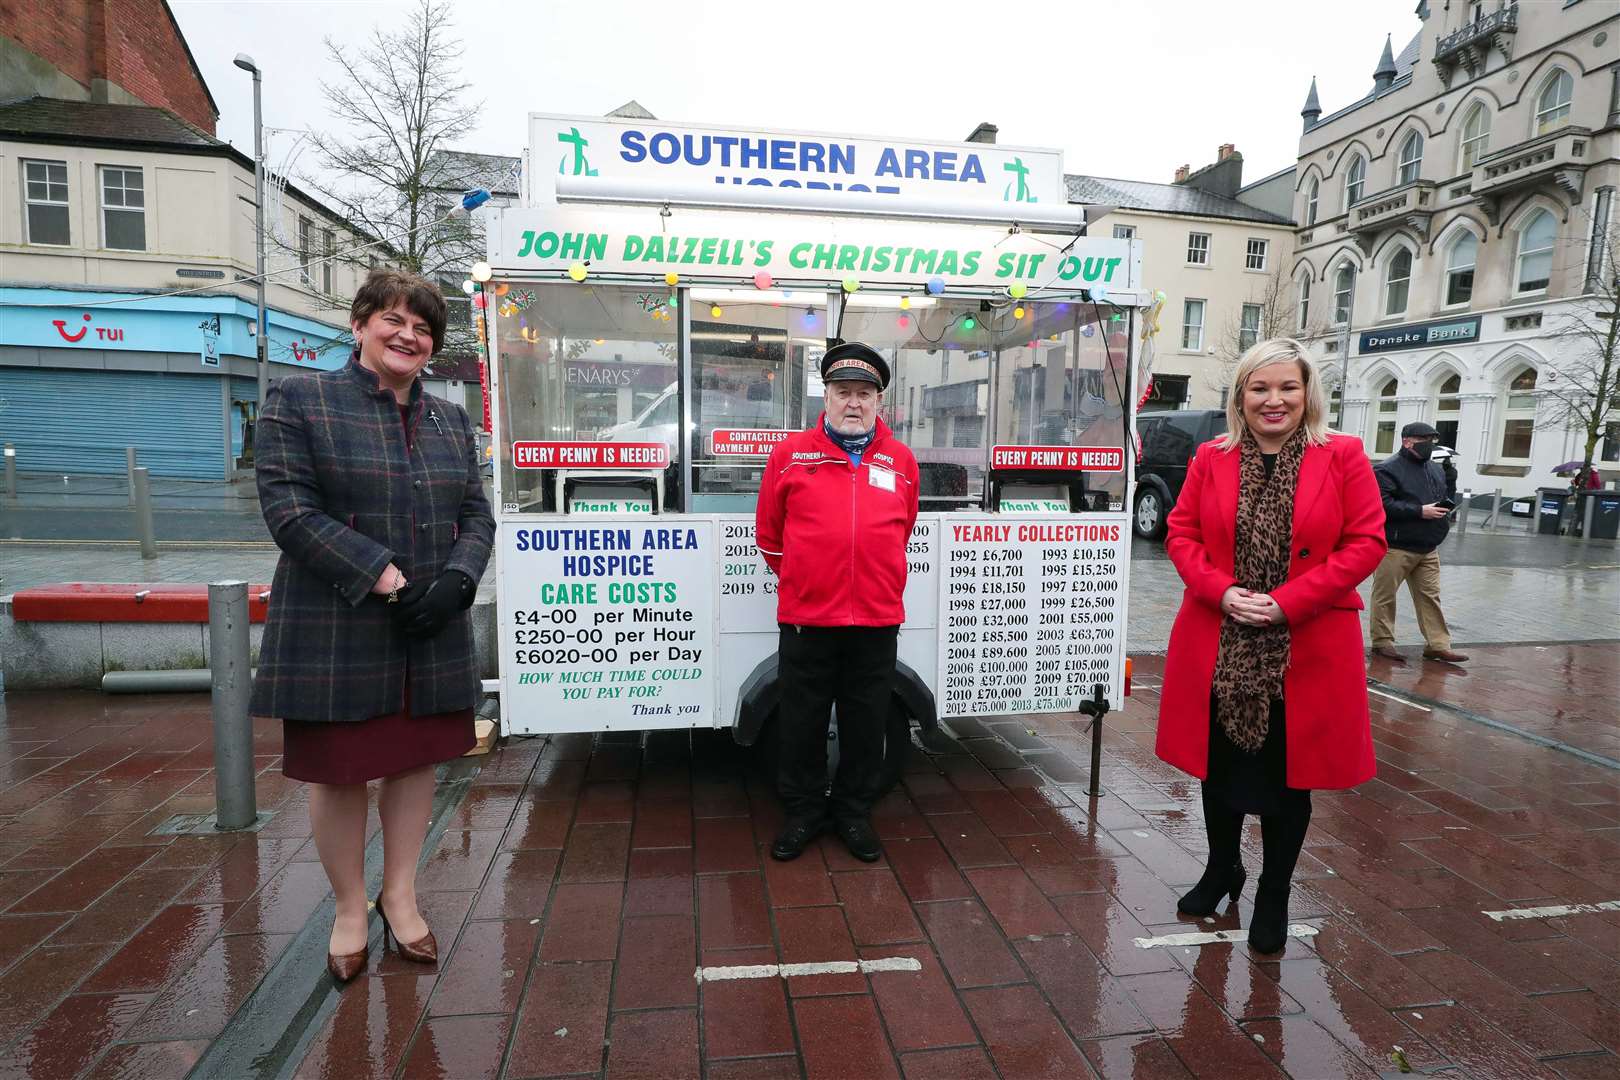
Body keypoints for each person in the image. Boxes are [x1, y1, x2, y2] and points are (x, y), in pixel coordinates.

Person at [252, 268, 494, 984]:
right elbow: (289, 510)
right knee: (340, 772)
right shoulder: (300, 400)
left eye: (423, 328)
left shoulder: (451, 418)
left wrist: (458, 580)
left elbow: (476, 512)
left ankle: (402, 895)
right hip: (339, 619)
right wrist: (385, 577)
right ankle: (351, 908)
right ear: (359, 325)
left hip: (430, 621)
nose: (408, 335)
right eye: (393, 320)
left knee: (415, 761)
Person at [1156, 338, 1386, 953]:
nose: (1274, 400)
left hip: (1304, 645)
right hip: (1220, 635)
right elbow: (1181, 535)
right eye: (1260, 388)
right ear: (1240, 396)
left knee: (1289, 778)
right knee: (1220, 770)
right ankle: (1222, 869)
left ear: (1308, 393)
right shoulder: (1212, 456)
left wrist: (1290, 601)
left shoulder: (1343, 456)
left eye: (1288, 387)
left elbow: (1366, 542)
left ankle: (1275, 890)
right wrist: (1221, 591)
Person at [755, 341, 919, 864]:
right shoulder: (790, 456)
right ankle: (803, 812)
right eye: (843, 392)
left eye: (864, 394)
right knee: (801, 723)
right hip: (808, 619)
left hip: (875, 620)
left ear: (878, 402)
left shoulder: (901, 460)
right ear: (825, 396)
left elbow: (903, 528)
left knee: (866, 725)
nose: (854, 402)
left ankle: (852, 812)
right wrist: (808, 578)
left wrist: (869, 573)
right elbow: (768, 536)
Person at [1369, 422, 1469, 664]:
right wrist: (1418, 511)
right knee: (1385, 595)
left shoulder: (1434, 468)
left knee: (1430, 597)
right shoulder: (1386, 469)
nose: (1429, 444)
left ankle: (1438, 645)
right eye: (1424, 439)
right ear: (1407, 441)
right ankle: (1383, 642)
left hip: (1428, 544)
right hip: (1396, 545)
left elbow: (1441, 498)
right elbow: (1381, 504)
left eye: (1432, 440)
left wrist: (1451, 484)